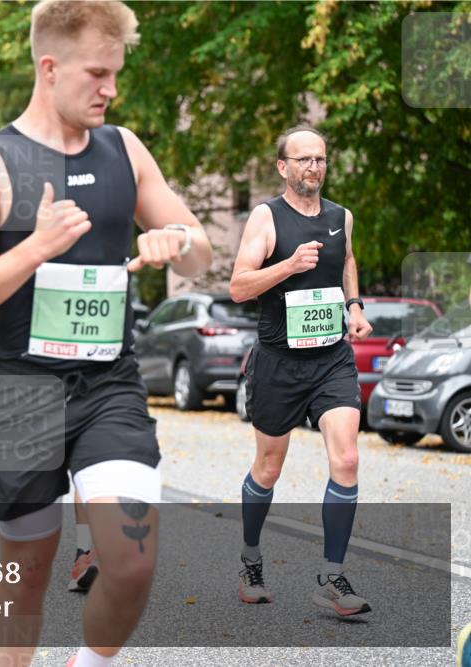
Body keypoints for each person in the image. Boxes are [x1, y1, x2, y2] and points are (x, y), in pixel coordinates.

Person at [0, 1, 212, 664]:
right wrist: (34, 248)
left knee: (131, 562)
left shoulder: (125, 148)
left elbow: (202, 252)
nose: (111, 89)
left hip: (107, 384)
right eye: (97, 74)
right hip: (23, 391)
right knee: (27, 569)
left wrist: (179, 240)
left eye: (116, 74)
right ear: (50, 67)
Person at [229, 126, 372, 616]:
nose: (315, 167)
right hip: (279, 362)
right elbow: (238, 286)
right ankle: (251, 558)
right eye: (305, 159)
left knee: (347, 459)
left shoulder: (341, 217)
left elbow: (346, 259)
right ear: (283, 167)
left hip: (331, 358)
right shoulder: (266, 218)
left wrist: (353, 305)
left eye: (322, 159)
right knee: (269, 468)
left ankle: (332, 576)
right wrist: (287, 266)